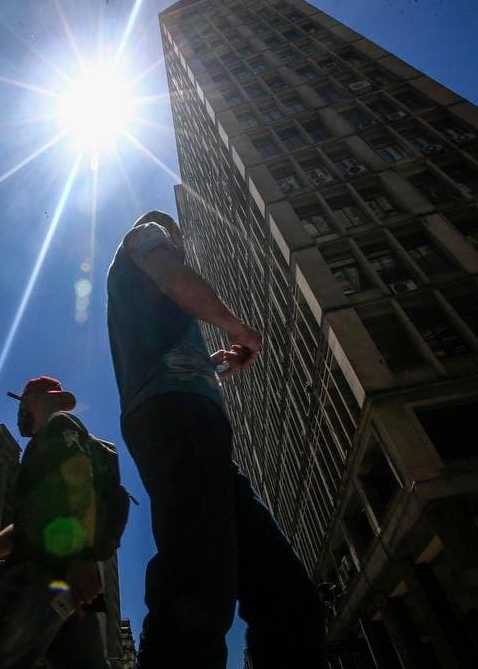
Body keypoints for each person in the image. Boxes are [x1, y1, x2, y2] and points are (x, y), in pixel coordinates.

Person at [106, 210, 325, 668]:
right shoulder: (144, 236)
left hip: (197, 433)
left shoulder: (148, 311)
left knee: (286, 594)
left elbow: (170, 356)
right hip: (175, 422)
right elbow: (173, 278)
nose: (178, 247)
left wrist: (213, 364)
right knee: (196, 590)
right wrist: (238, 327)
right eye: (176, 241)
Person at [0, 376, 113, 669]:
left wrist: (83, 556)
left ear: (33, 402)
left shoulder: (59, 425)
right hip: (69, 589)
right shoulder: (44, 446)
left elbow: (81, 482)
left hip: (39, 575)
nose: (19, 415)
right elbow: (27, 527)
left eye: (22, 406)